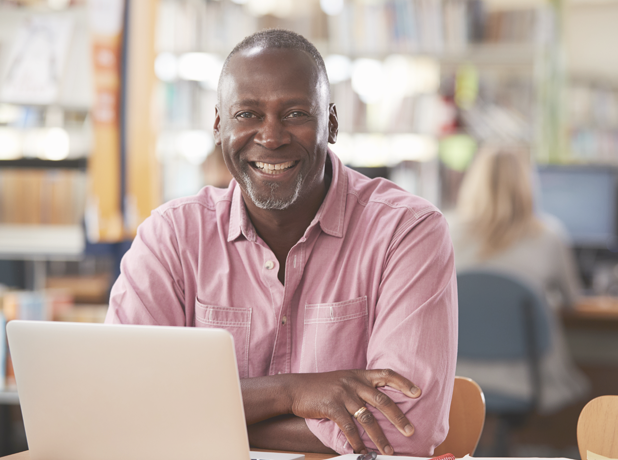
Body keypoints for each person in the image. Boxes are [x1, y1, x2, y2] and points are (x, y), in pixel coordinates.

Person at [106, 29, 457, 456]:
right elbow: (123, 405)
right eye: (247, 114)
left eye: (294, 114)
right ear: (219, 125)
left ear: (330, 123)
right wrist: (290, 392)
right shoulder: (171, 236)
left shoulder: (407, 231)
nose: (271, 137)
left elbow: (406, 429)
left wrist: (197, 420)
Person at [448, 145, 589, 413]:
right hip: (527, 379)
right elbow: (574, 301)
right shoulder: (549, 236)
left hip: (457, 377)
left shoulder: (445, 231)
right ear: (527, 184)